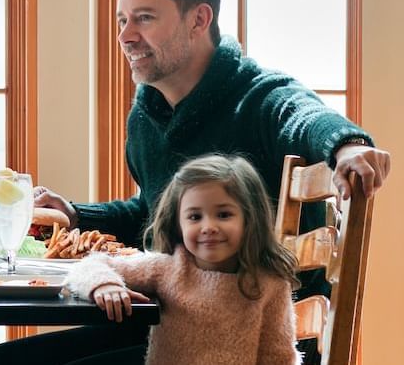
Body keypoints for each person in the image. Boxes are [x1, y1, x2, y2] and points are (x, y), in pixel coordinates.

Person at [0, 0, 391, 365]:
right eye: (122, 20)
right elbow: (152, 212)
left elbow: (304, 115)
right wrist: (77, 215)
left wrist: (348, 146)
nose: (126, 36)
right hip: (174, 322)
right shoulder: (147, 114)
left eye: (145, 18)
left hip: (249, 342)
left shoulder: (256, 95)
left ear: (199, 20)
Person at [65, 155, 300, 365]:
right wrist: (105, 285)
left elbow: (278, 357)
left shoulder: (270, 283)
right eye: (195, 216)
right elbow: (89, 265)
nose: (209, 227)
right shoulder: (169, 268)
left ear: (250, 219)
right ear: (178, 223)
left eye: (224, 214)